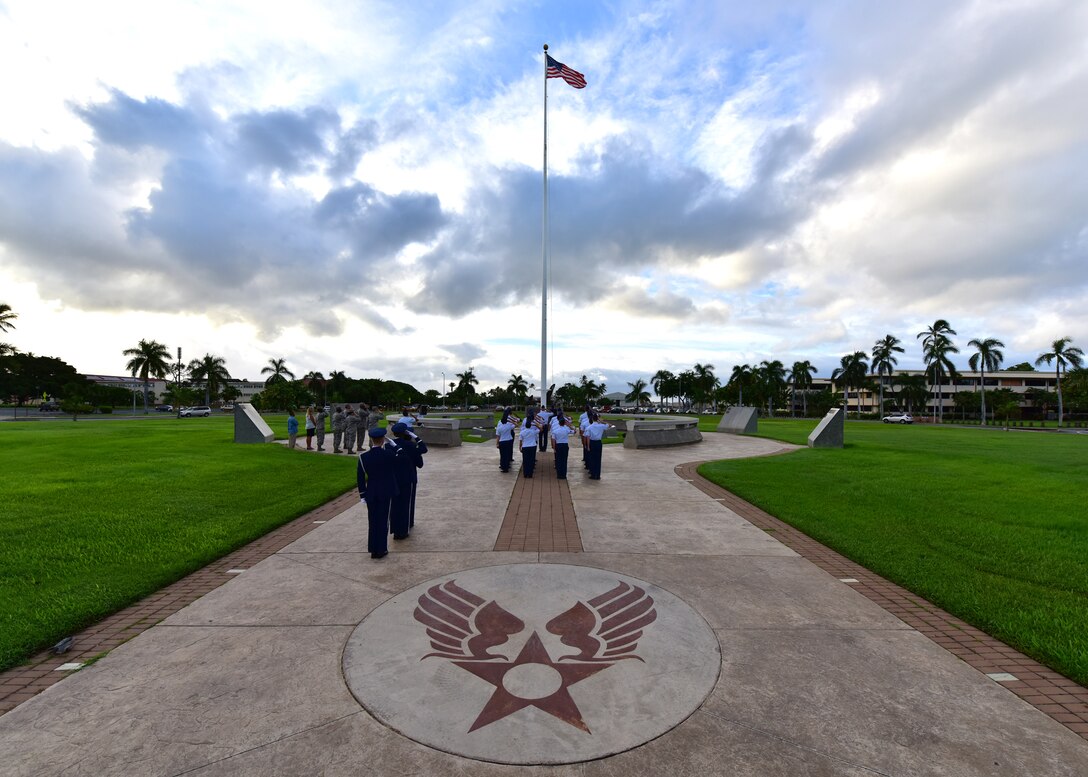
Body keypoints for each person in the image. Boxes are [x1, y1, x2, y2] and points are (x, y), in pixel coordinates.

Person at [357, 427, 399, 559]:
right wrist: (393, 444)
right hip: (385, 491)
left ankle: (373, 549)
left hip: (371, 492)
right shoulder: (389, 454)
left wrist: (362, 494)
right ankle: (381, 549)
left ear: (371, 439)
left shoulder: (363, 457)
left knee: (373, 521)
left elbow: (360, 478)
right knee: (383, 521)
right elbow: (402, 455)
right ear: (382, 440)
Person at [390, 422, 428, 539]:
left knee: (395, 505)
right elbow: (423, 451)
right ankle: (404, 529)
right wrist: (416, 437)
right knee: (407, 504)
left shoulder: (389, 445)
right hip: (408, 478)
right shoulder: (410, 445)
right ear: (406, 433)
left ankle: (396, 529)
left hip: (394, 479)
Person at [584, 411, 612, 480]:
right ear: (597, 419)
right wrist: (602, 421)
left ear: (592, 419)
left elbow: (587, 437)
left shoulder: (589, 427)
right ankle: (598, 475)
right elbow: (610, 425)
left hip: (592, 442)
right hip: (598, 443)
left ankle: (593, 474)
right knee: (598, 459)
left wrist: (587, 446)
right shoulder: (601, 426)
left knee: (592, 459)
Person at [550, 410, 574, 479]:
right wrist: (569, 425)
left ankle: (559, 474)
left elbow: (553, 440)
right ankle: (563, 475)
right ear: (564, 423)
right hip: (565, 445)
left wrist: (554, 448)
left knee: (558, 460)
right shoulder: (566, 429)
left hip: (558, 445)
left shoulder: (555, 430)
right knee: (564, 460)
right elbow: (574, 431)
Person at [518, 408, 541, 478]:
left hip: (525, 446)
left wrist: (520, 447)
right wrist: (536, 424)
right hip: (532, 445)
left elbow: (520, 441)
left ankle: (525, 473)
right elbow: (540, 428)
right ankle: (530, 474)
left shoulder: (522, 432)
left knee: (525, 461)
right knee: (531, 460)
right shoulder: (533, 431)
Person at [495, 407, 518, 472]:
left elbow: (498, 436)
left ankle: (503, 466)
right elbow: (516, 425)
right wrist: (510, 421)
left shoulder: (499, 426)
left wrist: (497, 443)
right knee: (507, 454)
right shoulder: (508, 425)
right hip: (509, 440)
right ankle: (507, 465)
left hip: (502, 441)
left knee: (502, 455)